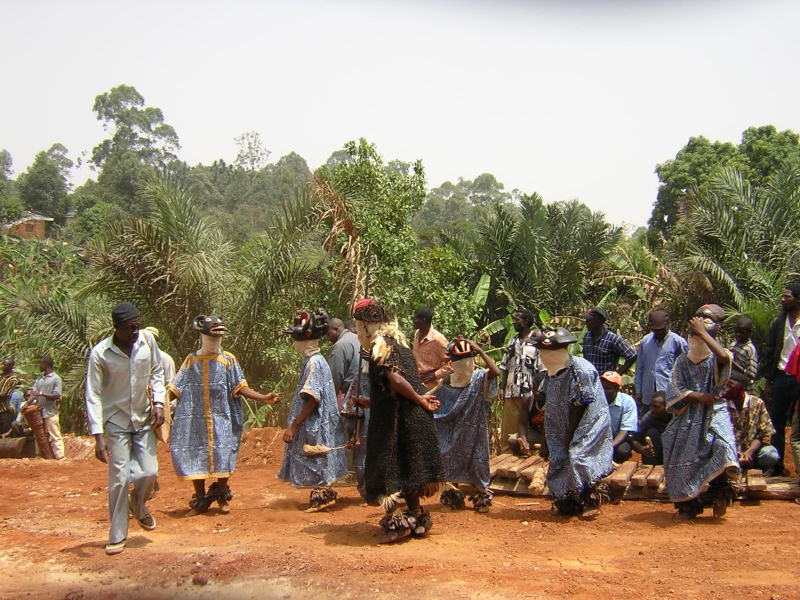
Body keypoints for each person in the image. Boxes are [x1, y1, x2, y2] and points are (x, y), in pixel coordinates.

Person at [168, 315, 280, 516]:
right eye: (211, 338)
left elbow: (240, 386)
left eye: (218, 338)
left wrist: (263, 398)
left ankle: (221, 496)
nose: (215, 342)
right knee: (197, 454)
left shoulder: (228, 360)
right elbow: (176, 388)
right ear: (202, 337)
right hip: (195, 420)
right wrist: (158, 404)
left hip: (222, 419)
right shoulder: (191, 361)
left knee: (223, 454)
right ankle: (200, 499)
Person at [354, 298, 445, 542]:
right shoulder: (400, 346)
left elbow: (395, 380)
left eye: (357, 326)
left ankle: (396, 522)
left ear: (366, 327)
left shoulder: (380, 348)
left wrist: (420, 399)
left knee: (383, 468)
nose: (356, 331)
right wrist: (371, 401)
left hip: (396, 421)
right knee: (408, 468)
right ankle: (416, 517)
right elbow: (392, 390)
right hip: (411, 418)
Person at [85, 302, 166, 555]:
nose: (135, 331)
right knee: (119, 479)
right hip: (115, 420)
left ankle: (138, 504)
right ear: (116, 327)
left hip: (143, 417)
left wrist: (159, 403)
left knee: (149, 472)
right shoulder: (100, 353)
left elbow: (157, 371)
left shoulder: (147, 342)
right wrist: (98, 435)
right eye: (130, 327)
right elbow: (93, 394)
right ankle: (117, 535)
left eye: (137, 326)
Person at [663, 304, 740, 522]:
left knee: (722, 446)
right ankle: (687, 505)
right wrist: (697, 396)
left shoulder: (717, 356)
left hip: (714, 411)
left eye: (707, 319)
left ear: (718, 326)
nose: (700, 322)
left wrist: (703, 333)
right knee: (674, 444)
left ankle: (720, 492)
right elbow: (675, 388)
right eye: (699, 318)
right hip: (689, 412)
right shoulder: (682, 360)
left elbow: (724, 358)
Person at [534, 327, 613, 519]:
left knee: (579, 456)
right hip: (559, 423)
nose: (541, 355)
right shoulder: (551, 373)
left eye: (544, 351)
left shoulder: (581, 370)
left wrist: (569, 436)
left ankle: (592, 499)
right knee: (559, 459)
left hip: (589, 423)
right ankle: (567, 503)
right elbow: (548, 405)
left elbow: (581, 405)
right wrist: (545, 440)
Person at [278, 309, 349, 510]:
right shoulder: (313, 360)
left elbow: (312, 399)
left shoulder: (314, 363)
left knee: (316, 457)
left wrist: (294, 425)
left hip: (316, 422)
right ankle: (323, 492)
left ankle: (323, 494)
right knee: (317, 457)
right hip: (317, 421)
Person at [433, 337, 500, 512]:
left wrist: (480, 351)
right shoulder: (448, 381)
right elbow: (435, 398)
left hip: (476, 432)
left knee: (478, 463)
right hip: (454, 433)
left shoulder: (479, 378)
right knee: (449, 459)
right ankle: (452, 497)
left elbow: (496, 371)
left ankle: (482, 497)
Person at [758, 283, 800, 476]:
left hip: (798, 379)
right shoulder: (779, 322)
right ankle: (777, 466)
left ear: (798, 300)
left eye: (787, 297)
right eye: (782, 296)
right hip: (781, 376)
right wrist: (768, 382)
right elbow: (770, 351)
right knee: (776, 423)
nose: (783, 300)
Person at [498, 309, 543, 453]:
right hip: (511, 391)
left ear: (525, 322)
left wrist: (538, 390)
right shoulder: (512, 342)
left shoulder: (536, 342)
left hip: (529, 393)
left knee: (528, 427)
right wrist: (502, 387)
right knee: (508, 429)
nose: (513, 322)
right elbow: (505, 366)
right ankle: (506, 456)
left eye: (516, 319)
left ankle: (529, 455)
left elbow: (541, 370)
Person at [722, 370, 779, 474]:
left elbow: (760, 435)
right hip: (728, 450)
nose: (726, 389)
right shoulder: (722, 404)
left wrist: (749, 452)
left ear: (741, 388)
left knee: (771, 454)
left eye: (730, 386)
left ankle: (753, 471)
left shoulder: (757, 403)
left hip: (750, 450)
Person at [634, 310, 688, 412]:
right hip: (648, 394)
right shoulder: (645, 341)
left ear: (668, 325)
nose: (659, 332)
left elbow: (686, 369)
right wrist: (638, 390)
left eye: (661, 330)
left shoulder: (678, 342)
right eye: (655, 330)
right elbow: (639, 367)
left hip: (669, 394)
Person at [341, 359, 371, 498]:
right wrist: (356, 433)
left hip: (382, 426)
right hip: (366, 428)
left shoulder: (390, 376)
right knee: (362, 461)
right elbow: (355, 409)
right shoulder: (360, 377)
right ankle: (367, 491)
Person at [581, 307, 637, 376]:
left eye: (589, 320)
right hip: (589, 379)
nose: (586, 323)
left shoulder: (612, 339)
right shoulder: (587, 336)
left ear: (598, 321)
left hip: (604, 381)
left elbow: (632, 355)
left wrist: (618, 374)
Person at [29, 357, 64, 460]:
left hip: (50, 411)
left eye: (41, 364)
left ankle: (60, 456)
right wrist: (26, 404)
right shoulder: (39, 379)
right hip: (39, 411)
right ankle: (39, 455)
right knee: (39, 434)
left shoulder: (56, 378)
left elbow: (56, 395)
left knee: (54, 433)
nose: (39, 366)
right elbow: (34, 393)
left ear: (45, 365)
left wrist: (41, 393)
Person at [600, 371, 638, 464]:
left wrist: (609, 448)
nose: (603, 391)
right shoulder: (596, 401)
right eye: (602, 387)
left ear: (617, 389)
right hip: (601, 438)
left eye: (608, 388)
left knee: (622, 451)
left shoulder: (628, 402)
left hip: (620, 438)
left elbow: (625, 430)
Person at [412, 306, 452, 389]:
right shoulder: (417, 334)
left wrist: (435, 375)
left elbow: (453, 363)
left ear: (423, 320)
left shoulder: (438, 340)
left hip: (429, 385)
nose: (413, 321)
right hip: (415, 379)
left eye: (415, 319)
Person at [508, 371, 547, 457]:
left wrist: (544, 444)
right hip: (536, 433)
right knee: (513, 441)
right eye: (535, 389)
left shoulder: (553, 401)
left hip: (551, 435)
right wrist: (524, 440)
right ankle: (526, 455)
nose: (537, 393)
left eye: (540, 390)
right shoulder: (528, 399)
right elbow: (522, 424)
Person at [325, 317, 361, 408]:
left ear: (336, 330)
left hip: (352, 397)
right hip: (365, 395)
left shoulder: (339, 346)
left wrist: (328, 404)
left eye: (328, 334)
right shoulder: (358, 338)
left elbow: (334, 380)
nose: (328, 338)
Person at [630, 391, 671, 465]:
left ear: (667, 406)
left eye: (656, 407)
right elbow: (634, 440)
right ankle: (653, 466)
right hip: (657, 451)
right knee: (651, 433)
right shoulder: (649, 418)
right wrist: (643, 449)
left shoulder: (677, 417)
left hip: (672, 452)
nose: (652, 410)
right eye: (651, 406)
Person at [729, 317, 758, 392]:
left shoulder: (750, 349)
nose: (738, 334)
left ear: (749, 332)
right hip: (731, 387)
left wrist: (732, 362)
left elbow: (751, 375)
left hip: (744, 390)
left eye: (742, 332)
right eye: (736, 331)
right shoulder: (733, 344)